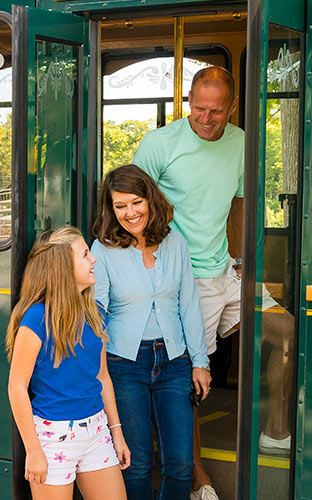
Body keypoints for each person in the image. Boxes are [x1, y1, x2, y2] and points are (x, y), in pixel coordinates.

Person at [130, 66, 243, 500]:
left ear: (231, 107)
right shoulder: (159, 144)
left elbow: (238, 205)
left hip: (225, 269)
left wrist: (242, 261)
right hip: (184, 275)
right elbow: (132, 208)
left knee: (285, 335)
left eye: (216, 111)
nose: (206, 118)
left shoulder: (242, 143)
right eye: (198, 108)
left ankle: (274, 435)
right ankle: (198, 477)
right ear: (188, 101)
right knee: (190, 374)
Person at [90, 165, 210, 500]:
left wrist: (200, 362)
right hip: (124, 364)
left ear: (150, 200)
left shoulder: (176, 243)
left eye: (136, 202)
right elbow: (97, 312)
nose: (129, 213)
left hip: (174, 362)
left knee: (181, 464)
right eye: (120, 206)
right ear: (111, 210)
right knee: (137, 463)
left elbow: (188, 305)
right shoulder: (102, 250)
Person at [7, 226, 130, 500]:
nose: (93, 259)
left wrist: (116, 433)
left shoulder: (95, 312)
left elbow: (102, 378)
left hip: (97, 431)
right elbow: (16, 387)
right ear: (63, 267)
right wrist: (34, 450)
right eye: (85, 254)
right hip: (53, 437)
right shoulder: (36, 319)